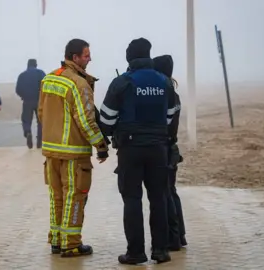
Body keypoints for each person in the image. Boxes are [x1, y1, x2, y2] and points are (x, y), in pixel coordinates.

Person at [99, 38, 177, 265]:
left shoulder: (121, 82)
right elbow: (171, 115)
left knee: (132, 199)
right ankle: (161, 251)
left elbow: (106, 119)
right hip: (158, 149)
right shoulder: (164, 82)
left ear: (129, 57)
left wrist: (113, 131)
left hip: (130, 149)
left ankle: (136, 252)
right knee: (159, 198)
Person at [38, 38, 109, 257]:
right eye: (87, 55)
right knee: (75, 196)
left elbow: (41, 113)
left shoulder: (49, 79)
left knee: (56, 197)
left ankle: (57, 240)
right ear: (75, 57)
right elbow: (86, 120)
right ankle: (72, 244)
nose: (90, 59)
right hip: (73, 153)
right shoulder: (79, 84)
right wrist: (101, 145)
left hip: (51, 151)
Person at [153, 55, 187, 250]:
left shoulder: (167, 94)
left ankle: (172, 238)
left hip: (165, 148)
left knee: (166, 193)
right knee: (170, 192)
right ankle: (179, 235)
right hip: (170, 147)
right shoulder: (172, 93)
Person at [15, 59, 46, 149]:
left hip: (27, 101)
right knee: (41, 121)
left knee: (26, 120)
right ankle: (39, 141)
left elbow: (18, 89)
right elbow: (46, 85)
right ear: (36, 65)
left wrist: (23, 96)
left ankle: (28, 132)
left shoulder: (22, 75)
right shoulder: (41, 73)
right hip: (39, 101)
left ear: (27, 65)